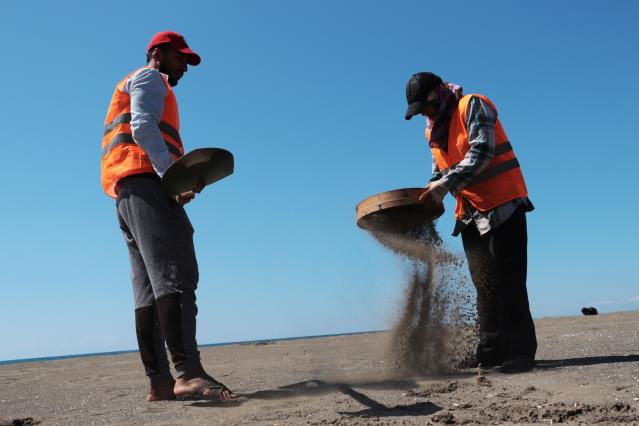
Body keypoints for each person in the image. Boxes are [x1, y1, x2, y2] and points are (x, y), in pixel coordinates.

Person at [101, 30, 238, 401]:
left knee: (147, 291)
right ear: (158, 53)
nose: (185, 67)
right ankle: (188, 373)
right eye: (181, 58)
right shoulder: (149, 77)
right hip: (147, 186)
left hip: (127, 192)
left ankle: (160, 382)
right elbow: (144, 127)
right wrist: (170, 177)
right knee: (177, 276)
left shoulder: (132, 83)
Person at [404, 72, 537, 373]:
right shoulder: (433, 131)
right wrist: (430, 190)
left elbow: (482, 150)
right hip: (470, 214)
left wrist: (444, 184)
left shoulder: (472, 105)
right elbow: (439, 172)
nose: (424, 115)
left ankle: (520, 353)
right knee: (485, 287)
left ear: (437, 93)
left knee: (509, 282)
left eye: (424, 107)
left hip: (503, 204)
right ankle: (490, 352)